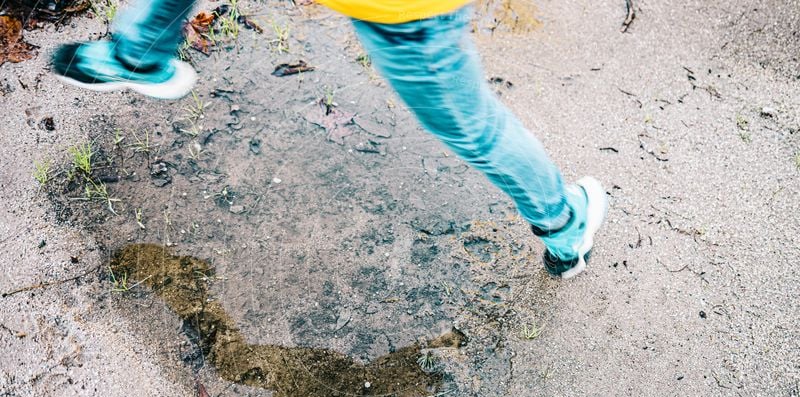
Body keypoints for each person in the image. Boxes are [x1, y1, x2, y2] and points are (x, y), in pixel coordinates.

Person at [51, 0, 608, 278]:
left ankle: (564, 228)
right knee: (471, 128)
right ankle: (139, 54)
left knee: (470, 129)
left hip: (407, 12)